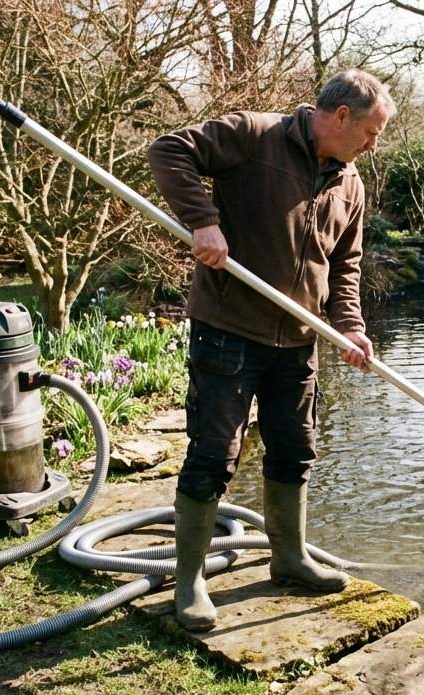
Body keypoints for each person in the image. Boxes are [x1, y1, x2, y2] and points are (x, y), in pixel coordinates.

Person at [147, 70, 394, 631]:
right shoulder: (254, 136)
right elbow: (167, 151)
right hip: (229, 328)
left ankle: (290, 557)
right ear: (340, 118)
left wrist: (350, 327)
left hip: (298, 341)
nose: (372, 145)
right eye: (371, 132)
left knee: (294, 448)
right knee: (214, 454)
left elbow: (345, 266)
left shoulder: (349, 184)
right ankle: (189, 582)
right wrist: (203, 223)